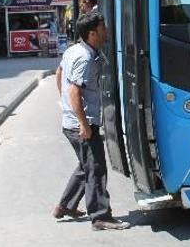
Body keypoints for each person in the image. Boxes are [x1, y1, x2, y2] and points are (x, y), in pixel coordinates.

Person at [53, 12, 130, 231]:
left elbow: (59, 73)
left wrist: (64, 102)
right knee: (96, 168)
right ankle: (100, 216)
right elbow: (75, 91)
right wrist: (84, 124)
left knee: (86, 165)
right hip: (82, 124)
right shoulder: (84, 58)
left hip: (73, 121)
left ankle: (65, 206)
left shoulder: (74, 50)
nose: (106, 32)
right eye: (103, 28)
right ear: (92, 33)